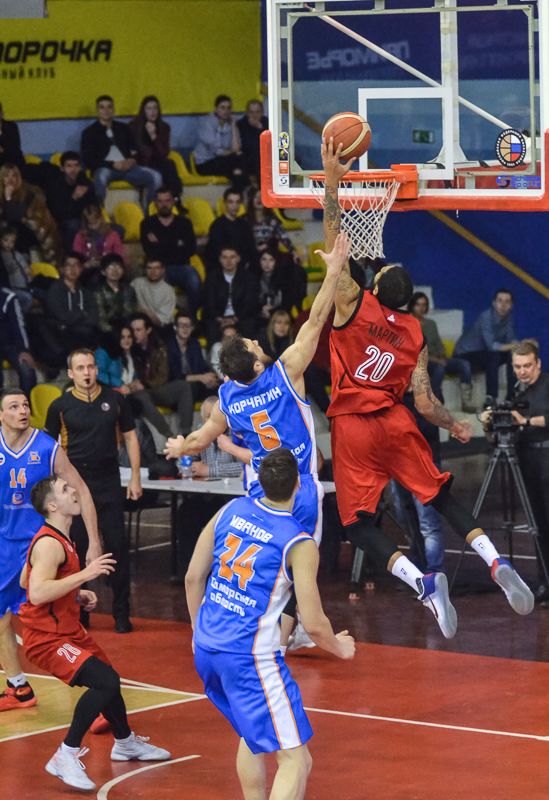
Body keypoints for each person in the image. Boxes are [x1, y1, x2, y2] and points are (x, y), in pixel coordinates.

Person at [320, 138, 533, 637]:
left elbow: (336, 243)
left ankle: (422, 582)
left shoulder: (355, 303)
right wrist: (454, 424)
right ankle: (495, 560)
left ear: (376, 288)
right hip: (397, 421)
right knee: (439, 496)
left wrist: (332, 181)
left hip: (353, 425)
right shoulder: (415, 333)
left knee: (357, 525)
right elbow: (425, 401)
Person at [185, 448, 355, 800]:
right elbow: (313, 621)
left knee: (252, 736)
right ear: (298, 485)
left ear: (259, 481)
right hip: (250, 658)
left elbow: (192, 577)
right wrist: (340, 647)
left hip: (207, 647)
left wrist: (196, 632)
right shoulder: (298, 541)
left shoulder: (230, 510)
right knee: (296, 760)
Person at [165, 232, 351, 546]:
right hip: (300, 484)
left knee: (267, 560)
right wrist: (333, 271)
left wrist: (180, 448)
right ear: (255, 366)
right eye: (253, 345)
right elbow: (317, 318)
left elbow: (199, 440)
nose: (255, 340)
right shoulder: (286, 372)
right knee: (301, 561)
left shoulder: (227, 399)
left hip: (260, 489)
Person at [19, 474, 169, 791]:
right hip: (47, 638)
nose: (73, 490)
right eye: (64, 489)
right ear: (52, 505)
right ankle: (65, 755)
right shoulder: (49, 544)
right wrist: (84, 575)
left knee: (108, 679)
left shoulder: (60, 538)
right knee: (106, 682)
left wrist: (74, 594)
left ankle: (125, 743)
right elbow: (35, 592)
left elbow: (25, 579)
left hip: (68, 631)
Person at [0, 387, 99, 712]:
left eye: (25, 405)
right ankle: (18, 687)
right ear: (1, 415)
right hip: (4, 546)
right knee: (1, 620)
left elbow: (81, 489)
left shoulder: (46, 447)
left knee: (59, 624)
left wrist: (94, 541)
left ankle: (101, 692)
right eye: (13, 407)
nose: (22, 411)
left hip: (40, 547)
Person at [44, 349, 142, 633]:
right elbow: (49, 449)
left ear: (96, 370)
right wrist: (53, 488)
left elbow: (130, 438)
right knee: (78, 549)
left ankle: (121, 613)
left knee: (116, 546)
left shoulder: (116, 399)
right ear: (70, 373)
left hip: (109, 479)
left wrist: (135, 477)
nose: (86, 372)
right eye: (80, 368)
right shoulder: (60, 406)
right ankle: (80, 614)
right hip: (75, 482)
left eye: (90, 367)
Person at [481, 339, 549, 603]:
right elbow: (500, 431)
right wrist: (489, 424)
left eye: (527, 366)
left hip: (546, 458)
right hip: (526, 463)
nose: (523, 371)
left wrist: (527, 421)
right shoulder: (515, 394)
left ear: (538, 363)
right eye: (518, 367)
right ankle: (545, 583)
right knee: (538, 526)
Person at [80, 95, 162, 208]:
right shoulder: (89, 133)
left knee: (156, 176)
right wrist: (112, 164)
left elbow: (135, 149)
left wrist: (131, 160)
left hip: (128, 168)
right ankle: (99, 212)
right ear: (97, 111)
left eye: (109, 107)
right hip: (106, 168)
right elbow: (88, 159)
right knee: (101, 176)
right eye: (102, 107)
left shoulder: (123, 128)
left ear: (113, 110)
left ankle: (152, 212)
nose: (106, 110)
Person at [408, 291, 475, 413]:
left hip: (436, 359)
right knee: (439, 368)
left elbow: (438, 343)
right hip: (420, 361)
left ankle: (466, 402)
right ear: (412, 306)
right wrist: (435, 360)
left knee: (464, 364)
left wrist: (442, 355)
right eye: (418, 304)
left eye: (424, 304)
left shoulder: (431, 324)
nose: (421, 308)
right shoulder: (408, 324)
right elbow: (413, 352)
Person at [130, 313, 195, 438]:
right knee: (140, 396)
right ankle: (169, 435)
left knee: (183, 386)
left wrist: (145, 384)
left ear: (148, 330)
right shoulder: (128, 347)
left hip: (154, 387)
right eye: (132, 330)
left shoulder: (159, 347)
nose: (134, 334)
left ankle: (186, 433)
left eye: (138, 330)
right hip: (137, 391)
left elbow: (162, 376)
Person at [140, 187, 200, 313]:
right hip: (160, 267)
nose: (164, 205)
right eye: (160, 201)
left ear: (173, 202)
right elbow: (149, 251)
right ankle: (164, 319)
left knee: (194, 280)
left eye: (167, 201)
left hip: (183, 267)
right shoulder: (147, 224)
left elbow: (191, 249)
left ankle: (194, 318)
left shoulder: (185, 223)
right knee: (158, 284)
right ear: (155, 203)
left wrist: (159, 244)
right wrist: (177, 245)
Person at [36, 252, 98, 373]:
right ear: (62, 269)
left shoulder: (86, 292)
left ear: (81, 269)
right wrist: (83, 314)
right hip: (64, 334)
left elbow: (94, 316)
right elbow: (63, 317)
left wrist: (79, 319)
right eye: (68, 265)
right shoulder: (55, 290)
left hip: (83, 333)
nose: (73, 269)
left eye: (76, 265)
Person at [453, 289, 518, 401]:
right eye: (500, 301)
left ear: (511, 305)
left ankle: (512, 396)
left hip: (484, 354)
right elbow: (491, 346)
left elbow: (510, 340)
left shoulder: (508, 317)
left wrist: (522, 345)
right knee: (494, 356)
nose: (503, 305)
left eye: (507, 302)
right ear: (494, 303)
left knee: (513, 355)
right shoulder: (486, 317)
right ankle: (491, 397)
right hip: (464, 355)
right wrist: (516, 345)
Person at [0, 163, 61, 264]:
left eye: (14, 176)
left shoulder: (29, 192)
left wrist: (8, 198)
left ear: (18, 177)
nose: (10, 180)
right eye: (6, 176)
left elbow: (17, 217)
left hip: (29, 231)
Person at [203, 246, 259, 346]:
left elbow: (249, 302)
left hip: (240, 318)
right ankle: (215, 355)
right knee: (211, 329)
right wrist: (219, 319)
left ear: (238, 258)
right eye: (225, 257)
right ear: (220, 259)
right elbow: (209, 301)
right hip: (219, 319)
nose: (228, 261)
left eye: (232, 257)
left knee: (250, 326)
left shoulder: (248, 277)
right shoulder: (212, 277)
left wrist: (235, 319)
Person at [129, 96, 182, 199]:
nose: (153, 112)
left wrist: (153, 135)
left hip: (157, 161)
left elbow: (163, 153)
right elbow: (135, 152)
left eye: (155, 108)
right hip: (140, 162)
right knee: (164, 173)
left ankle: (175, 199)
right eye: (149, 108)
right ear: (143, 111)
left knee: (170, 165)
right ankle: (169, 200)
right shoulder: (133, 126)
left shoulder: (164, 127)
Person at [193, 94, 248, 190]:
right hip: (205, 163)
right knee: (237, 162)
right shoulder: (207, 123)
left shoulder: (231, 123)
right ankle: (246, 189)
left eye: (228, 108)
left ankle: (236, 191)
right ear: (216, 109)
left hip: (224, 161)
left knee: (238, 170)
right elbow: (217, 151)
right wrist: (233, 152)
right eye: (222, 108)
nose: (225, 111)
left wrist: (234, 126)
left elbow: (236, 148)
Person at [45, 151, 98, 252]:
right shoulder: (54, 185)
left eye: (76, 165)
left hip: (85, 221)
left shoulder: (85, 182)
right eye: (69, 166)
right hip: (64, 222)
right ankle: (72, 256)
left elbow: (94, 205)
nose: (73, 170)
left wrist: (91, 220)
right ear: (62, 168)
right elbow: (58, 213)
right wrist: (74, 198)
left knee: (118, 229)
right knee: (73, 225)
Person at [167, 312, 219, 403]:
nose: (185, 329)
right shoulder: (168, 345)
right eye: (181, 325)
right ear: (175, 327)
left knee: (220, 388)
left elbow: (202, 366)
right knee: (190, 387)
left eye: (188, 325)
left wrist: (210, 377)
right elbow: (175, 375)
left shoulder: (194, 344)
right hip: (175, 386)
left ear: (192, 328)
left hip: (195, 383)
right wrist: (201, 377)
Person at [246, 187, 302, 267]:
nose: (259, 199)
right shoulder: (245, 220)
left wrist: (294, 252)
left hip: (270, 254)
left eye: (261, 197)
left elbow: (284, 238)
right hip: (252, 255)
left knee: (288, 260)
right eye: (256, 197)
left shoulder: (273, 221)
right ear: (251, 200)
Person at [204, 188, 258, 271]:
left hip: (243, 269)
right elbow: (215, 252)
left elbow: (251, 249)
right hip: (223, 269)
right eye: (231, 202)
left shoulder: (245, 225)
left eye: (237, 202)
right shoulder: (217, 225)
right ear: (225, 203)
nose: (234, 206)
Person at [73, 204, 127, 285]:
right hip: (87, 271)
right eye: (90, 224)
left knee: (98, 278)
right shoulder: (80, 236)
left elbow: (120, 257)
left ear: (101, 219)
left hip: (109, 268)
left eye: (96, 222)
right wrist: (86, 265)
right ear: (85, 223)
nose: (93, 227)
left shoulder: (112, 234)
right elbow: (75, 259)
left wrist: (107, 263)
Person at [0, 287, 36, 397]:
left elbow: (18, 324)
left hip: (11, 344)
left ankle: (25, 404)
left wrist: (23, 349)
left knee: (26, 367)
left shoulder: (8, 297)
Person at [94, 254, 137, 332]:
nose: (115, 270)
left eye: (118, 266)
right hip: (108, 331)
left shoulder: (129, 289)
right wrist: (115, 332)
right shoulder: (98, 292)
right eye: (110, 267)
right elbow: (100, 320)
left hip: (128, 330)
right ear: (103, 272)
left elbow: (133, 312)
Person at [131, 258, 176, 329]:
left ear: (163, 270)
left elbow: (162, 319)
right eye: (149, 268)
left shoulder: (168, 290)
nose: (153, 271)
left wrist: (144, 313)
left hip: (160, 326)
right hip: (138, 323)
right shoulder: (136, 283)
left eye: (156, 268)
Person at [0, 227, 33, 313]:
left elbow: (25, 266)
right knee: (27, 298)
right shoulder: (2, 256)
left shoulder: (16, 254)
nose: (8, 244)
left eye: (12, 242)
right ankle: (18, 316)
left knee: (41, 293)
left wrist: (27, 270)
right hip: (12, 288)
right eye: (6, 240)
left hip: (25, 285)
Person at [236, 99, 268, 182]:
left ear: (262, 112)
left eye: (257, 112)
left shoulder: (267, 123)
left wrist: (260, 128)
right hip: (247, 160)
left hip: (265, 159)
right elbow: (248, 146)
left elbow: (268, 145)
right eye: (251, 112)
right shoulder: (241, 124)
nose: (254, 115)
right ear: (247, 113)